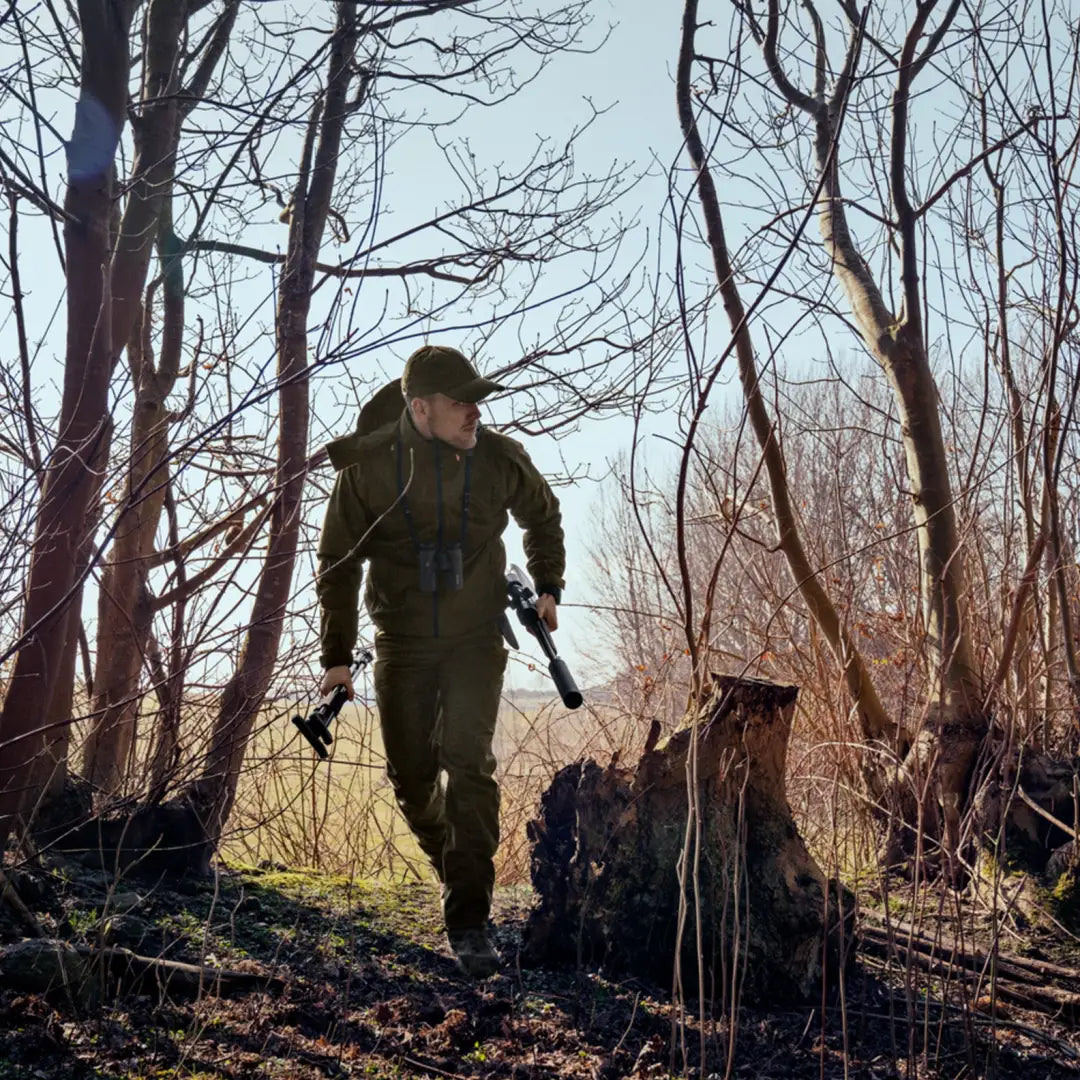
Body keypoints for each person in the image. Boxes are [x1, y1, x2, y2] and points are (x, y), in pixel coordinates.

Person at [316, 344, 565, 978]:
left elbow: (543, 515)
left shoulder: (498, 459)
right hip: (401, 639)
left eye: (477, 400)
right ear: (421, 408)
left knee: (470, 764)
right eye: (461, 402)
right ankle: (459, 871)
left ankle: (470, 921)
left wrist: (548, 585)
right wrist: (337, 657)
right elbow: (338, 564)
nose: (474, 413)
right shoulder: (368, 470)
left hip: (476, 636)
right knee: (411, 775)